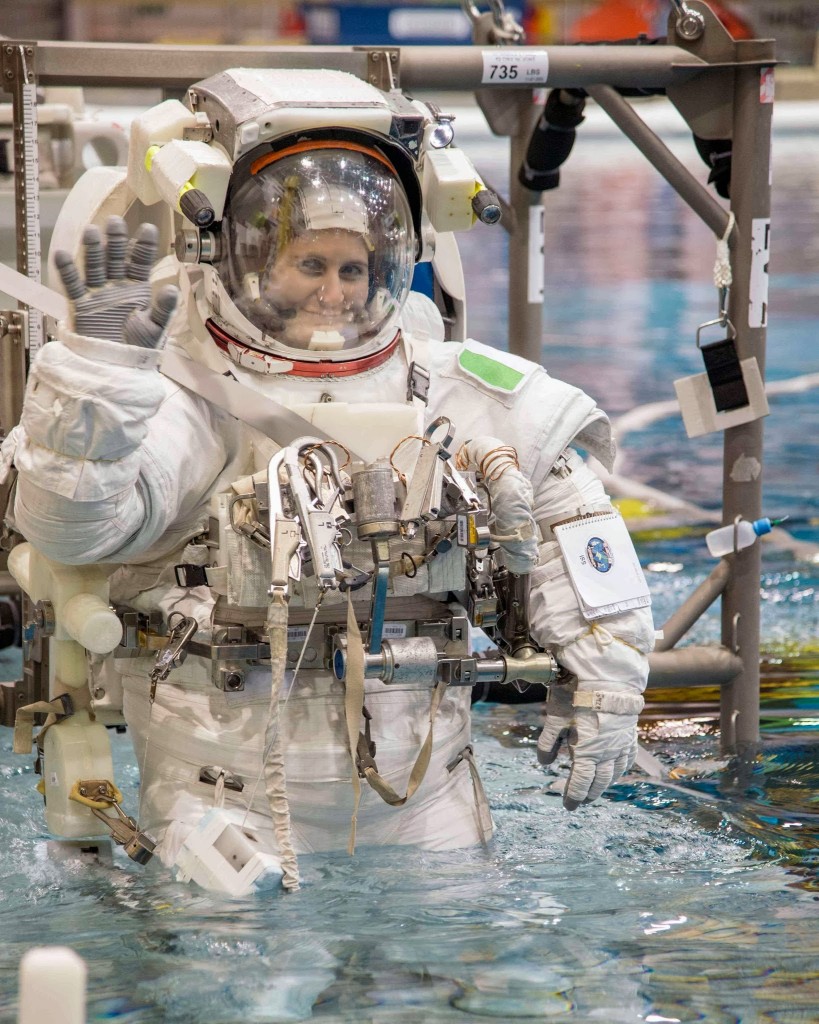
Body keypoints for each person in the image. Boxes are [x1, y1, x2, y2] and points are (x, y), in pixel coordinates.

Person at [0, 68, 654, 890]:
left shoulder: (462, 390)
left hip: (426, 790)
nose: (334, 291)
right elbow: (71, 530)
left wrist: (606, 689)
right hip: (224, 800)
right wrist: (95, 381)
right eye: (308, 263)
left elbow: (580, 549)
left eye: (354, 269)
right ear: (243, 257)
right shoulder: (182, 395)